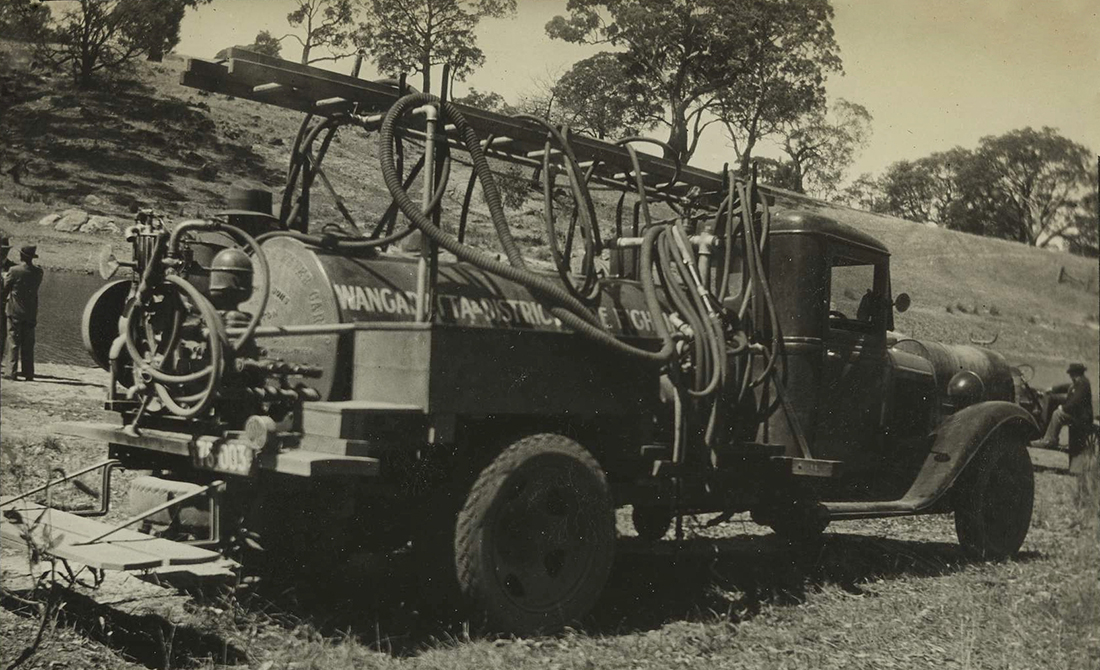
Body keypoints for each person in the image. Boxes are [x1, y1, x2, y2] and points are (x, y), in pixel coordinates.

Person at [3, 245, 44, 381]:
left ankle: (11, 372)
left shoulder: (14, 270)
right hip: (30, 313)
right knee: (28, 344)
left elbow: (4, 290)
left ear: (22, 256)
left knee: (13, 341)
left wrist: (4, 278)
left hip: (14, 311)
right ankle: (28, 372)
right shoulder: (39, 272)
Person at [1031, 363, 1094, 450]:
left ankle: (1050, 440)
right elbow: (1067, 387)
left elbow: (1076, 402)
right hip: (1078, 413)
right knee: (1053, 400)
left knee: (1057, 414)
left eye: (1071, 374)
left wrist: (1063, 408)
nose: (1070, 376)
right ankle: (1045, 432)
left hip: (1081, 416)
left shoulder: (1082, 384)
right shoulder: (1079, 381)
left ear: (1075, 373)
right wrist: (1052, 389)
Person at [0, 236, 12, 370]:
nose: (2, 253)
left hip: (4, 306)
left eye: (5, 250)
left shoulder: (13, 268)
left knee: (2, 334)